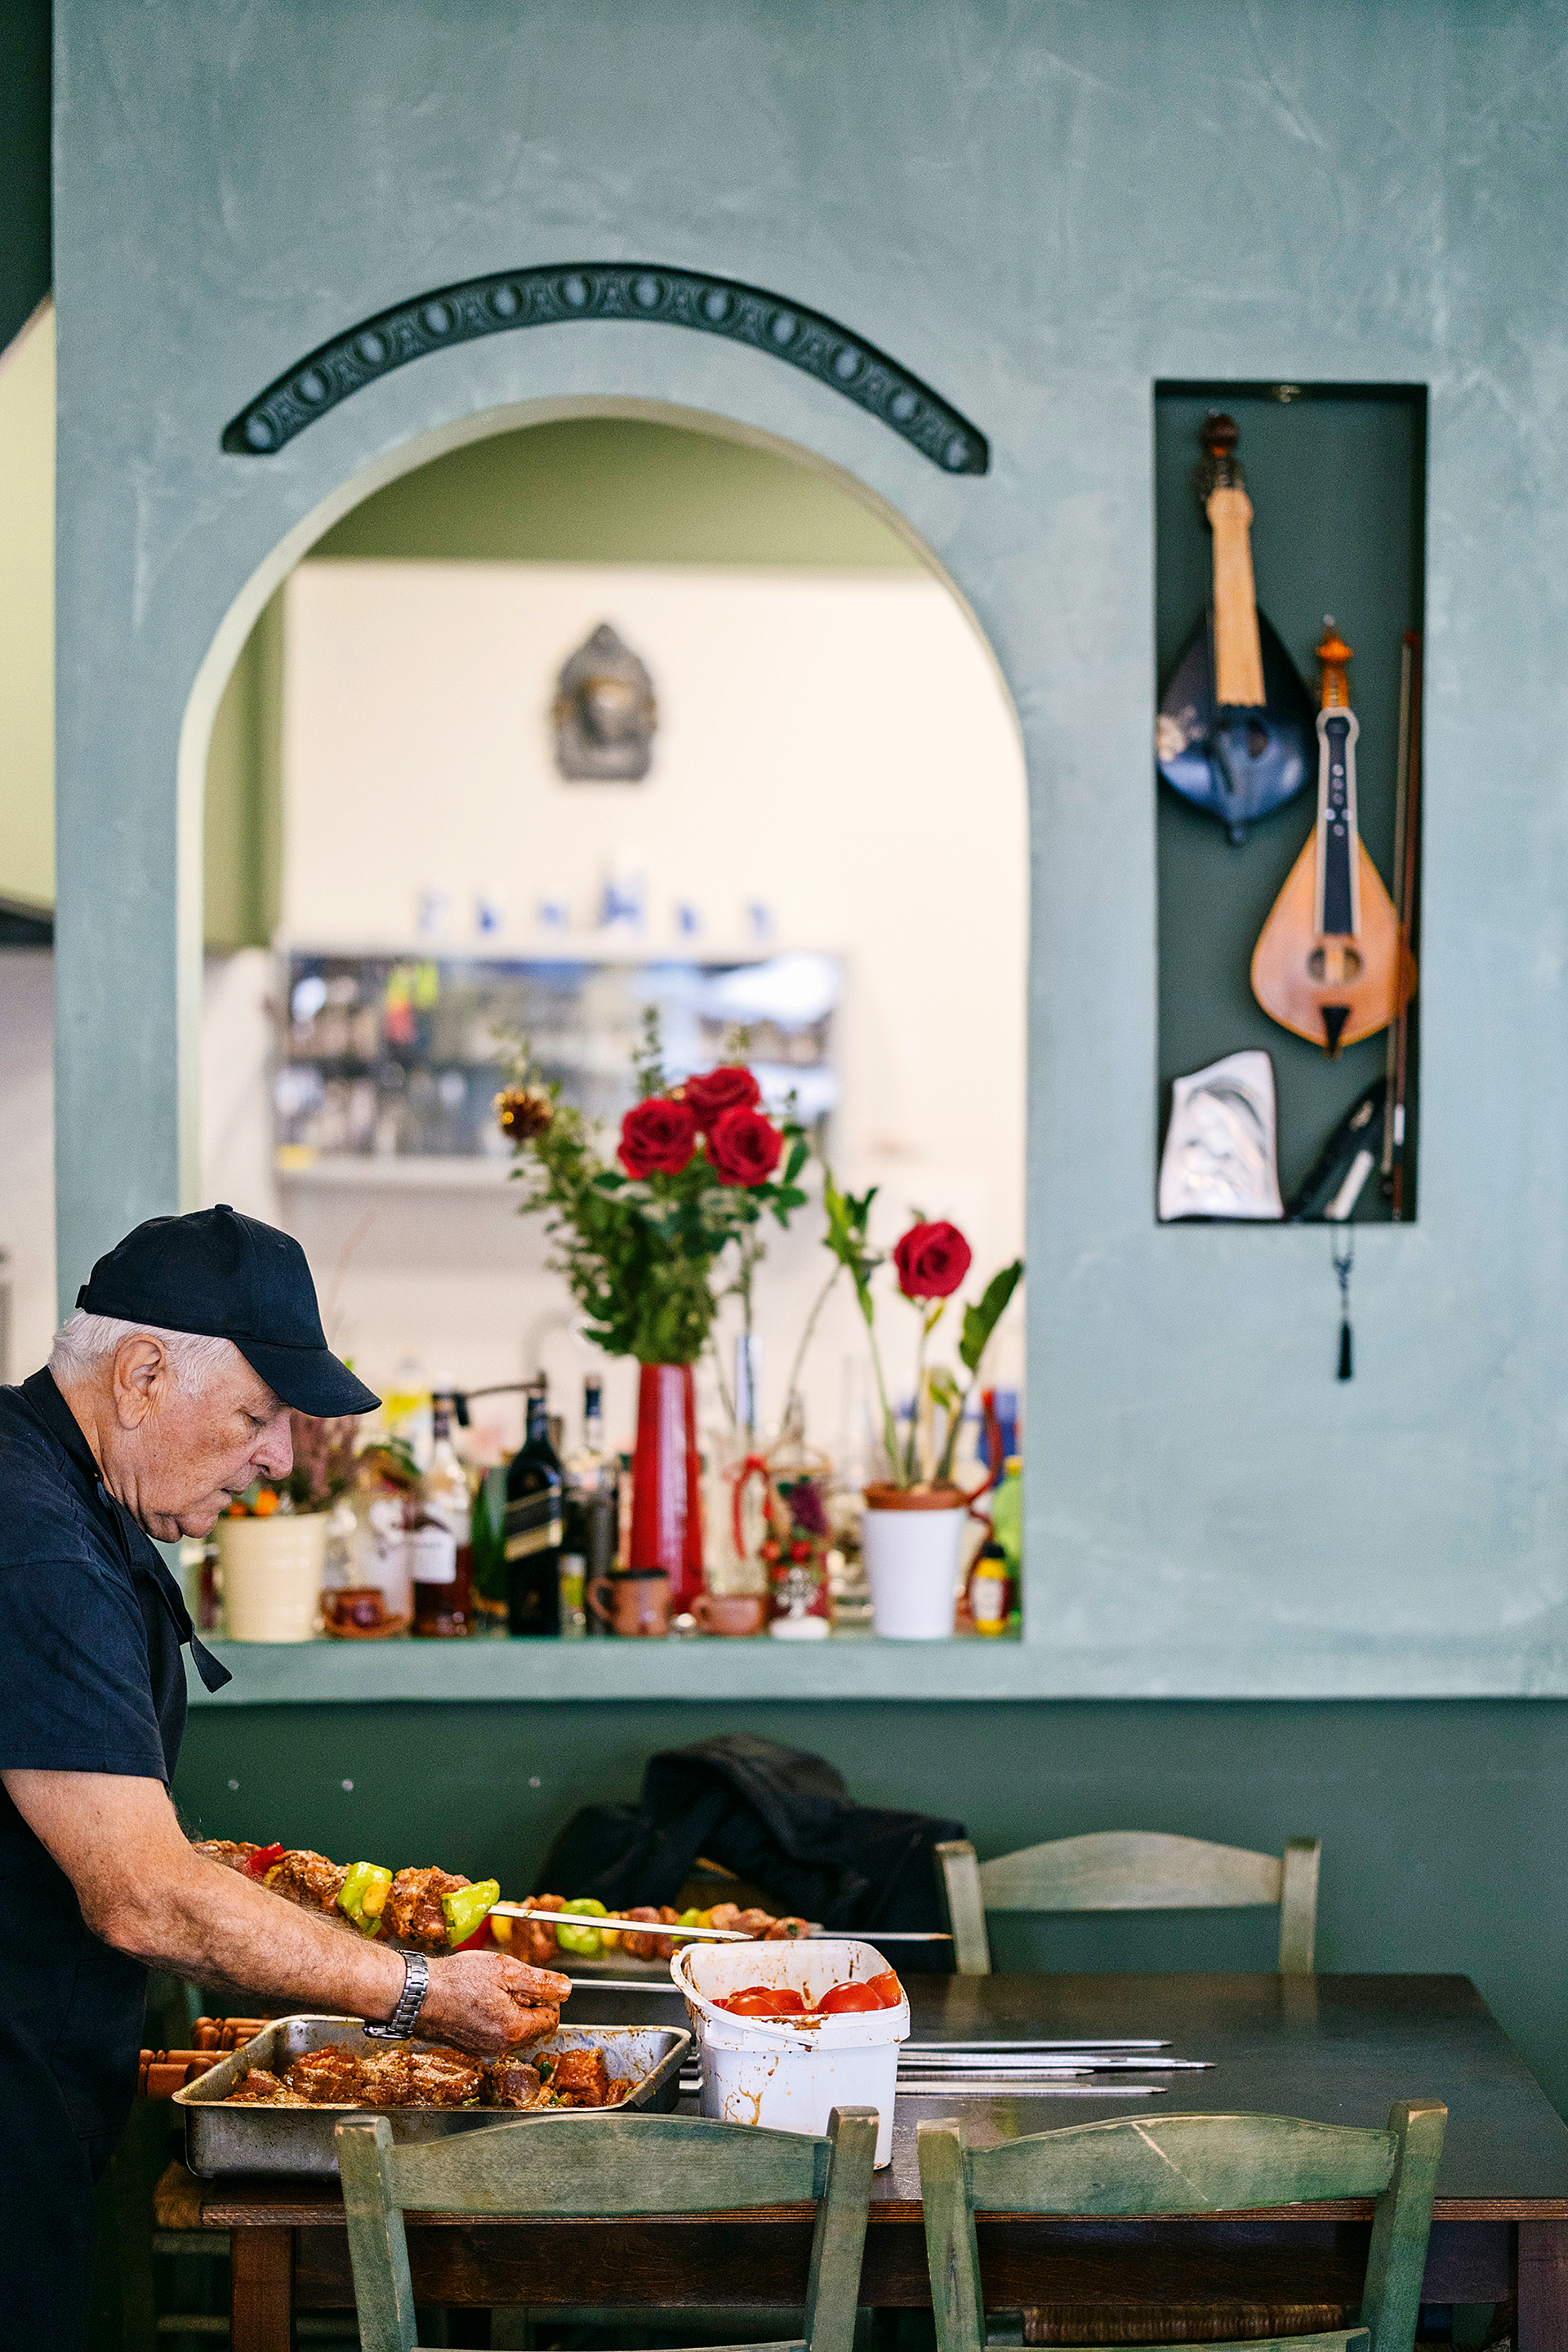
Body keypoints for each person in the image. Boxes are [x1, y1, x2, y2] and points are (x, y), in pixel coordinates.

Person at [0, 1205, 564, 2347]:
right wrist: (418, 1991)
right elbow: (139, 1893)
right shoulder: (39, 1544)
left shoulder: (68, 1494)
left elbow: (92, 1828)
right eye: (260, 1415)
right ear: (144, 1374)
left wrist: (265, 1888)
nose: (278, 1458)